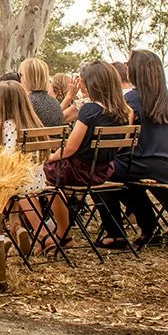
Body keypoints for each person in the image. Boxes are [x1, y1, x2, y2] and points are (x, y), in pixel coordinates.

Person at [99, 49, 168, 249]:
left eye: (128, 64)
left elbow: (122, 138)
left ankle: (116, 232)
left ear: (136, 71)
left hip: (146, 163)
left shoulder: (131, 100)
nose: (126, 66)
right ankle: (149, 227)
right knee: (125, 172)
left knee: (102, 171)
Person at [41, 61, 133, 252]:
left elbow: (71, 147)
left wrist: (48, 158)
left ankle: (63, 233)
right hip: (104, 170)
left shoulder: (90, 110)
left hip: (79, 171)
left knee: (42, 176)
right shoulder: (124, 111)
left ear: (93, 84)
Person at [0, 80, 46, 254]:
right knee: (12, 191)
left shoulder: (4, 127)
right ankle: (17, 229)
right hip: (37, 180)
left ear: (1, 104)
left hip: (18, 182)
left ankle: (3, 237)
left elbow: (3, 160)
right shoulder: (33, 124)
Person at [20, 58, 64, 127]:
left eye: (21, 75)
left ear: (27, 78)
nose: (20, 79)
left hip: (34, 137)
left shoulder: (26, 103)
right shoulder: (55, 103)